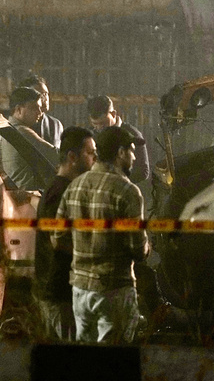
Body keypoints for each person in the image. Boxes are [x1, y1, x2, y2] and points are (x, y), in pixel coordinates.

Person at [61, 125, 150, 343]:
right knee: (113, 357)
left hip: (80, 290)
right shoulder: (128, 192)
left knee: (84, 356)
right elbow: (138, 250)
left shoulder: (75, 186)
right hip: (114, 290)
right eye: (131, 151)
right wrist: (148, 247)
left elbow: (58, 238)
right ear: (120, 153)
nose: (135, 157)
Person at [36, 126, 96, 340]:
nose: (95, 158)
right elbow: (58, 241)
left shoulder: (65, 188)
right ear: (72, 157)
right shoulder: (59, 191)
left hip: (63, 291)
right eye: (90, 153)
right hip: (59, 292)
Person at [0, 86, 57, 190]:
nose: (40, 112)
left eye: (40, 108)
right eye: (34, 108)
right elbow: (54, 154)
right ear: (19, 109)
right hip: (28, 194)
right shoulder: (21, 131)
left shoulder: (5, 129)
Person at [87, 94, 150, 183]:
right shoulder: (90, 136)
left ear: (113, 114)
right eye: (95, 124)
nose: (99, 128)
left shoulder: (132, 135)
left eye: (103, 123)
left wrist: (113, 180)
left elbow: (143, 172)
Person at [18, 73, 63, 148]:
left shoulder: (55, 124)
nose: (45, 99)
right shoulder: (20, 124)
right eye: (40, 95)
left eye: (46, 94)